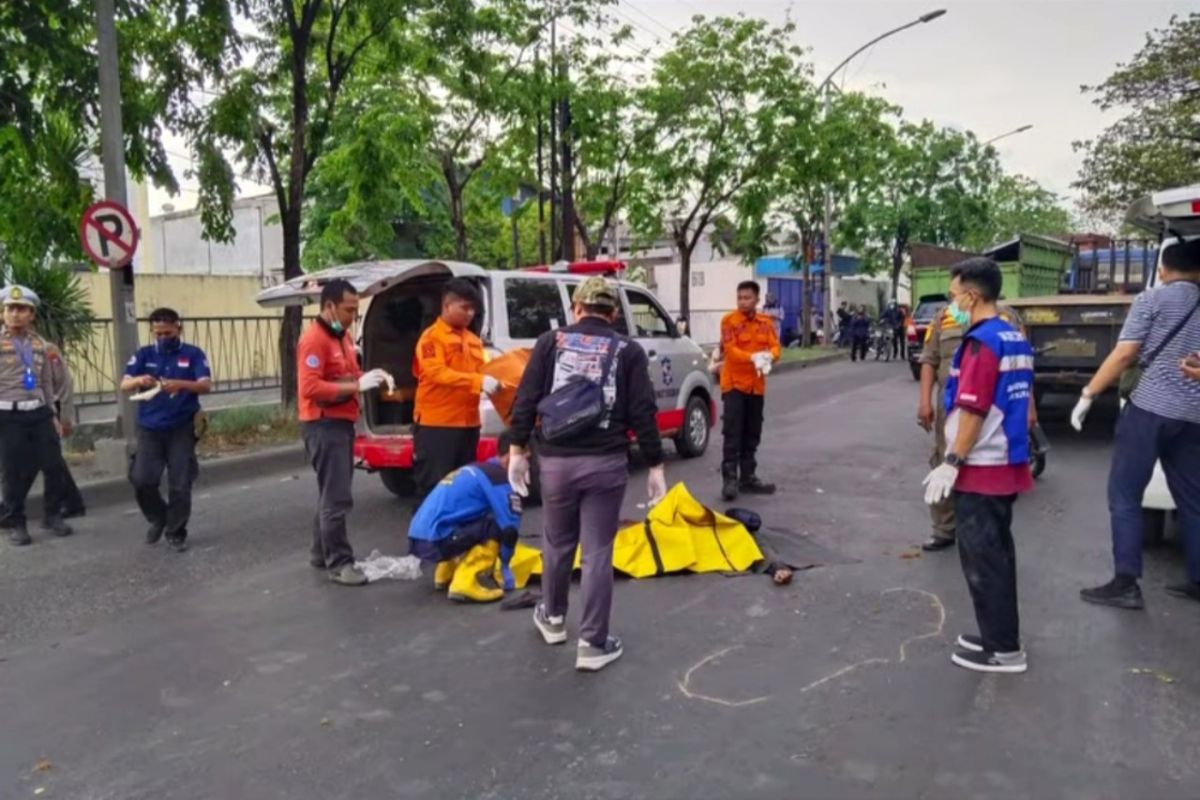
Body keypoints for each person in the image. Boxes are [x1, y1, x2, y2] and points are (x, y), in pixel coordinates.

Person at [508, 276, 667, 672]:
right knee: (597, 552)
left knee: (557, 542)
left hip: (556, 463)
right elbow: (643, 412)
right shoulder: (627, 350)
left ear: (576, 309)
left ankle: (554, 618)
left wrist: (517, 450)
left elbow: (525, 398)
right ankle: (593, 644)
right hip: (606, 463)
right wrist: (655, 464)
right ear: (613, 314)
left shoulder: (551, 343)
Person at [923, 258, 1034, 674]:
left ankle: (1004, 651)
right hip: (1005, 460)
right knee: (998, 555)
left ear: (972, 295)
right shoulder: (1012, 335)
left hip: (983, 465)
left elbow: (973, 409)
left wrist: (952, 461)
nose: (953, 304)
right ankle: (997, 635)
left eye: (954, 296)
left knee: (983, 558)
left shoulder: (981, 342)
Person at [1074, 238, 1200, 608]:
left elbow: (1126, 352)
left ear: (1163, 270)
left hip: (1149, 410)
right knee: (1193, 498)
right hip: (1194, 416)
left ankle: (1126, 583)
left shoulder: (1152, 300)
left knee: (1125, 494)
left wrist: (1088, 394)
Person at [298, 279, 393, 586]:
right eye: (349, 309)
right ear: (329, 307)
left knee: (330, 492)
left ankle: (319, 552)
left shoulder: (342, 336)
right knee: (337, 497)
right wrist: (355, 386)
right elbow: (310, 387)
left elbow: (347, 373)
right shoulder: (314, 340)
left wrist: (369, 376)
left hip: (340, 422)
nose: (354, 315)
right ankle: (339, 563)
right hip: (323, 424)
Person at [917, 298, 1026, 552]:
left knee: (987, 461)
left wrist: (1029, 408)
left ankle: (985, 526)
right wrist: (924, 402)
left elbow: (1020, 365)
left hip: (994, 406)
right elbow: (929, 360)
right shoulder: (943, 318)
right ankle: (944, 528)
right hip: (951, 404)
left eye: (957, 291)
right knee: (944, 460)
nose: (953, 298)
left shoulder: (1006, 319)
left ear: (973, 293)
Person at [120, 308, 212, 552]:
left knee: (180, 483)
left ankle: (175, 531)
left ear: (178, 328)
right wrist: (140, 380)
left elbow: (205, 386)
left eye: (168, 332)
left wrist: (180, 385)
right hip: (150, 427)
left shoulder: (193, 354)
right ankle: (159, 517)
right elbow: (124, 384)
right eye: (158, 333)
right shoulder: (144, 354)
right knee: (142, 479)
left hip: (181, 427)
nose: (163, 337)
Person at [408, 430, 522, 603]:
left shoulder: (477, 469)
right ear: (509, 459)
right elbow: (510, 529)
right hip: (436, 541)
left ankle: (445, 572)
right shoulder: (498, 478)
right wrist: (505, 567)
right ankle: (464, 581)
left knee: (472, 520)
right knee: (494, 528)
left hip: (418, 537)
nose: (529, 465)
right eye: (527, 459)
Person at [0, 286, 75, 545]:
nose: (15, 314)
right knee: (13, 472)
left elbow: (47, 383)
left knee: (53, 465)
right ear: (3, 313)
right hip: (8, 415)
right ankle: (16, 522)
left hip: (39, 412)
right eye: (10, 309)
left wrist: (54, 414)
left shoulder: (41, 345)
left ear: (32, 314)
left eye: (21, 309)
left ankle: (52, 515)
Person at [412, 278, 498, 504]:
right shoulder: (431, 338)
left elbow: (486, 370)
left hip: (468, 424)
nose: (470, 314)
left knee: (463, 485)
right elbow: (436, 373)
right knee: (434, 488)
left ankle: (457, 536)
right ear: (447, 306)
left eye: (473, 309)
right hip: (438, 424)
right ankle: (425, 537)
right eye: (465, 307)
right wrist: (478, 382)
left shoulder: (473, 341)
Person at [718, 280, 781, 501]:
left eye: (747, 298)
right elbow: (731, 351)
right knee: (732, 433)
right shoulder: (729, 322)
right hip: (735, 384)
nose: (743, 302)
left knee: (752, 432)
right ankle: (729, 480)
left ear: (757, 299)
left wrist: (769, 356)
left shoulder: (766, 322)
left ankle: (748, 476)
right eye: (740, 298)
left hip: (756, 386)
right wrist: (753, 357)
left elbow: (775, 346)